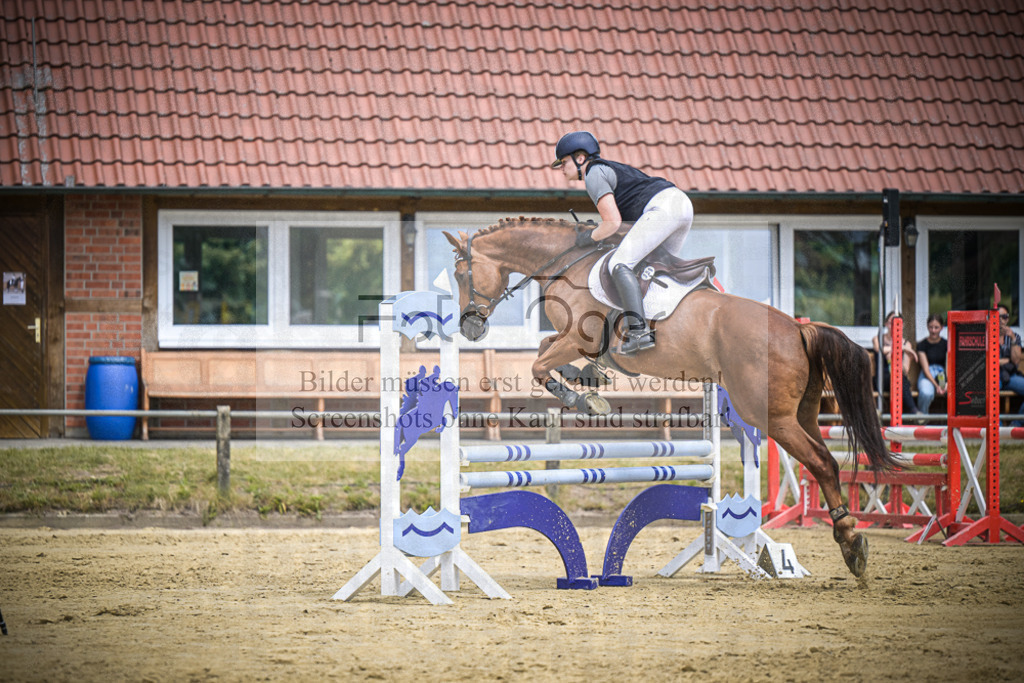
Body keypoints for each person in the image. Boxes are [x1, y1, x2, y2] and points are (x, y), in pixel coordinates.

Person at [551, 131, 693, 355]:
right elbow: (623, 227)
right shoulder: (608, 169)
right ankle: (670, 326)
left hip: (664, 209)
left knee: (619, 264)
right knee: (654, 270)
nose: (561, 168)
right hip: (680, 205)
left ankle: (639, 332)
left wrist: (588, 237)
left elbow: (612, 224)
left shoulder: (593, 173)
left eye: (564, 161)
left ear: (580, 158)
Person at [872, 311, 919, 415]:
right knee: (898, 380)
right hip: (881, 379)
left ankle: (913, 412)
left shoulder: (907, 344)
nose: (893, 326)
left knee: (900, 378)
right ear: (885, 324)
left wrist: (895, 361)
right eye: (891, 322)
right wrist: (901, 348)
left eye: (897, 323)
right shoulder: (878, 339)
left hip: (899, 379)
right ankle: (914, 411)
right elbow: (879, 349)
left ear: (902, 325)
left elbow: (905, 370)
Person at [916, 314, 948, 415]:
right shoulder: (922, 345)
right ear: (927, 327)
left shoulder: (947, 344)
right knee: (926, 393)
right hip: (927, 375)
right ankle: (922, 419)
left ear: (942, 328)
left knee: (952, 392)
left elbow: (949, 366)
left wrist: (946, 382)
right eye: (931, 327)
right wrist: (937, 386)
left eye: (936, 327)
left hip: (942, 374)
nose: (933, 330)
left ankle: (952, 421)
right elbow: (926, 369)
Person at [998, 305, 1024, 399]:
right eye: (998, 316)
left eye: (1004, 317)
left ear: (1008, 319)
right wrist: (1007, 360)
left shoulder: (1015, 336)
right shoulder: (987, 336)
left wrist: (1012, 338)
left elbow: (1016, 361)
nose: (1001, 320)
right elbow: (986, 361)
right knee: (985, 394)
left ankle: (1019, 410)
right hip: (993, 376)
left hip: (1010, 375)